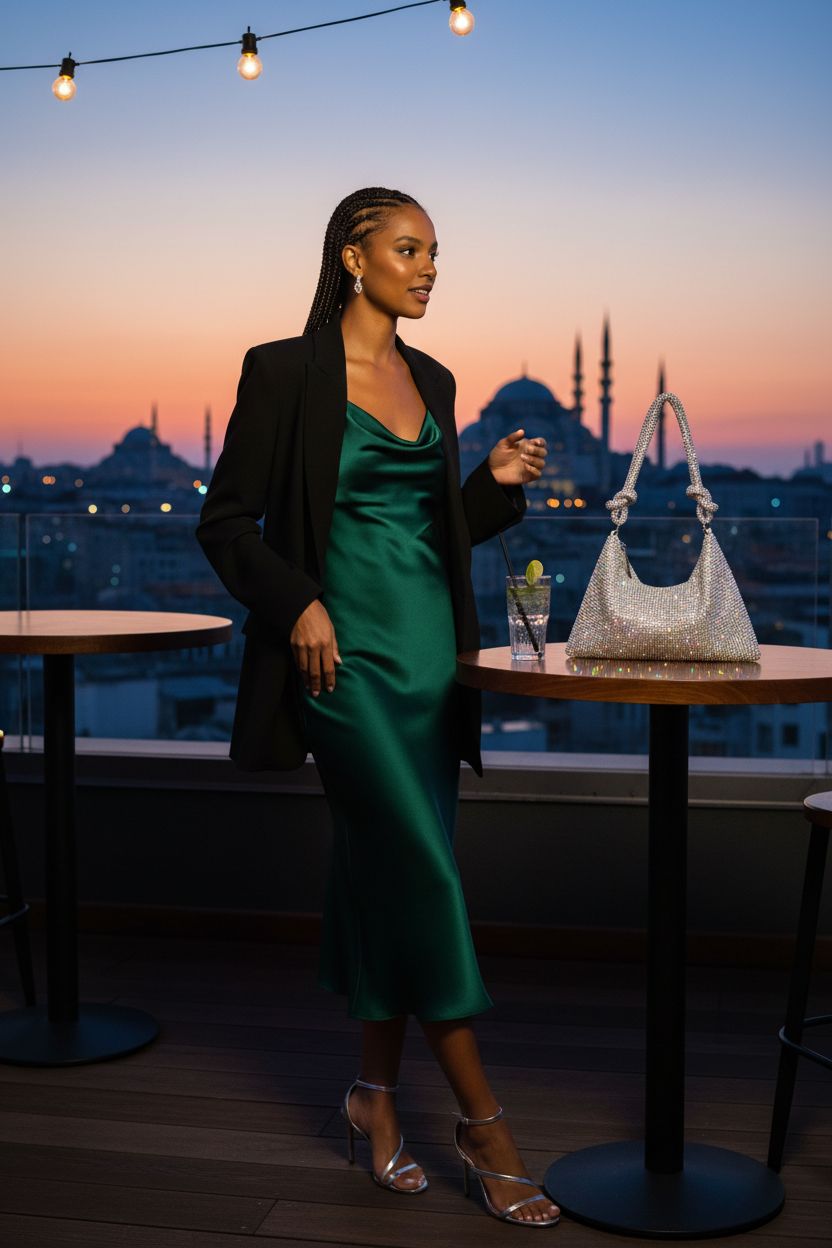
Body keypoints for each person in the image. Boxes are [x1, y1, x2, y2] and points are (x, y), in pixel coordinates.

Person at [196, 186, 558, 1227]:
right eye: (409, 249)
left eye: (437, 252)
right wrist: (300, 599)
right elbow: (226, 526)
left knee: (385, 878)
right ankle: (486, 1128)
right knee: (423, 873)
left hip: (429, 666)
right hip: (340, 666)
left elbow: (429, 533)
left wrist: (487, 483)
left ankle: (372, 1098)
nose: (430, 267)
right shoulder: (284, 372)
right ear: (353, 256)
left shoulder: (435, 379)